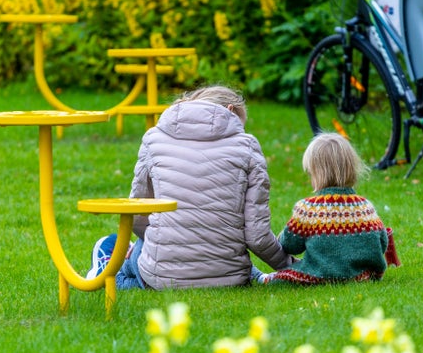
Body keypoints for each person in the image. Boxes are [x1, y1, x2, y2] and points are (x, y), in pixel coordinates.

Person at [87, 85, 295, 289]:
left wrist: (165, 243)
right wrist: (292, 267)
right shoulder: (247, 145)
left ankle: (106, 268)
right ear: (229, 111)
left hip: (161, 273)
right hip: (229, 277)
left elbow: (138, 215)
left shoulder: (153, 138)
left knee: (125, 265)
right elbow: (256, 236)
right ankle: (255, 276)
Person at [252, 132, 400, 285]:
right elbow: (382, 241)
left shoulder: (308, 209)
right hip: (361, 275)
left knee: (287, 275)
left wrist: (281, 237)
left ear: (317, 174)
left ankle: (262, 278)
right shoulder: (366, 208)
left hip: (318, 274)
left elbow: (291, 245)